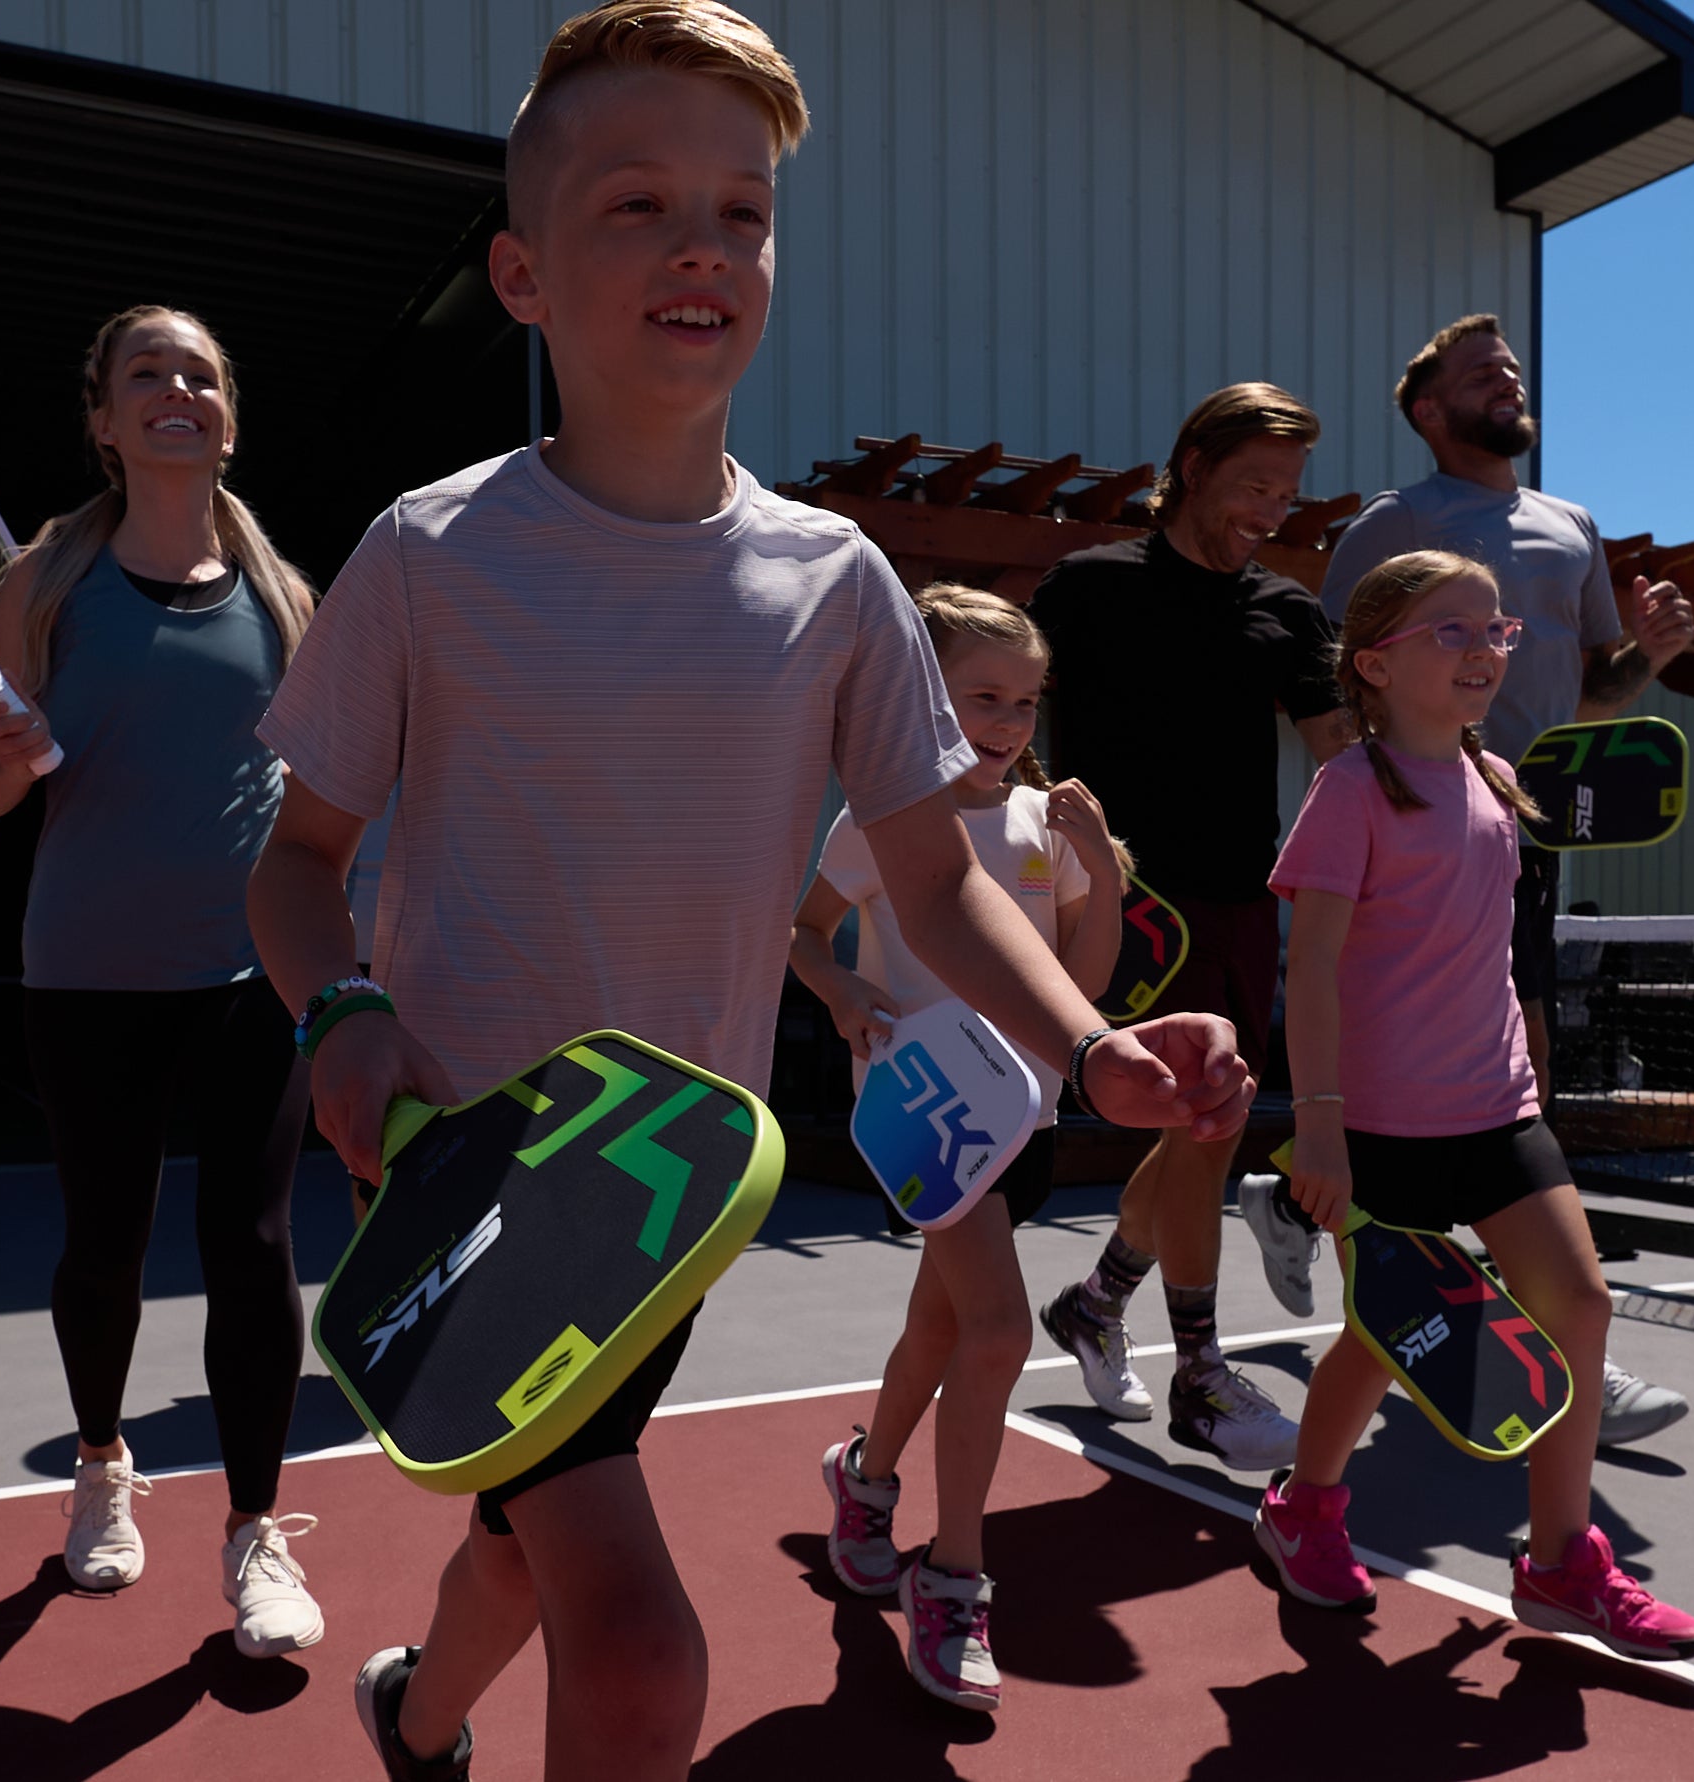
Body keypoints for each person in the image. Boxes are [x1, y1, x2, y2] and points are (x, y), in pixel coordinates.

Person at [244, 9, 1251, 1778]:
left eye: (744, 209)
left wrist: (1088, 1046)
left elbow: (935, 883)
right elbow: (296, 866)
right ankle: (430, 1709)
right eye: (635, 204)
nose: (703, 243)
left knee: (521, 1541)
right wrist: (339, 1009)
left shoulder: (839, 583)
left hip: (673, 1196)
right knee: (639, 1655)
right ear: (524, 273)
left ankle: (413, 1712)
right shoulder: (425, 553)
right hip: (463, 1175)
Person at [1258, 549, 1694, 1662]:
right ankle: (1303, 1509)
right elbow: (1309, 965)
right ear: (1376, 662)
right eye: (1452, 632)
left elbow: (1494, 958)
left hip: (1500, 1115)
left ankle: (1561, 1565)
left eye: (1496, 631)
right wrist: (1316, 1124)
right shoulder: (1352, 791)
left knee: (1581, 1307)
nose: (1483, 650)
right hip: (1377, 1127)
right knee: (1384, 1341)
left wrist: (1532, 1074)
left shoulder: (1501, 783)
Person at [0, 304, 325, 1656]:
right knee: (102, 1246)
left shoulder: (289, 596)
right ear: (103, 420)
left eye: (202, 374)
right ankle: (103, 1463)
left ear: (229, 413)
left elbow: (330, 794)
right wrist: (4, 741)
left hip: (249, 974)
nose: (178, 390)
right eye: (145, 374)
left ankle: (255, 1532)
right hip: (88, 976)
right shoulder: (39, 584)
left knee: (261, 1247)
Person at [1271, 315, 1694, 1446]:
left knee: (1525, 1052)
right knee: (1399, 1060)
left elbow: (1597, 689)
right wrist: (1368, 793)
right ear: (1428, 409)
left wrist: (1646, 650)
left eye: (1510, 369)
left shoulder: (1573, 525)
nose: (1506, 382)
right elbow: (1334, 659)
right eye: (1479, 373)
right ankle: (1333, 1200)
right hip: (1412, 825)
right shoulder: (1398, 522)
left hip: (1519, 821)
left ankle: (1547, 1329)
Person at [791, 584, 1132, 1712]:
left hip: (1024, 1111)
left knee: (940, 1327)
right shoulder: (882, 819)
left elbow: (1078, 992)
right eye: (982, 696)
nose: (1010, 721)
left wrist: (1109, 882)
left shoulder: (1043, 827)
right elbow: (803, 933)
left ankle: (865, 1478)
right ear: (919, 700)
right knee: (994, 1329)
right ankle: (955, 1577)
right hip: (922, 1109)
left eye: (1026, 701)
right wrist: (841, 989)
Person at [1026, 383, 1351, 1471]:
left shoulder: (1289, 610)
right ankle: (1202, 1373)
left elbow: (1344, 757)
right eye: (1255, 483)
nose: (1271, 507)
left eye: (1287, 491)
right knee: (1205, 1129)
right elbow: (1002, 708)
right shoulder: (1088, 585)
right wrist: (1044, 849)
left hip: (1243, 900)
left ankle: (1095, 1302)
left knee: (1196, 1132)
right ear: (1195, 464)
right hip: (1127, 909)